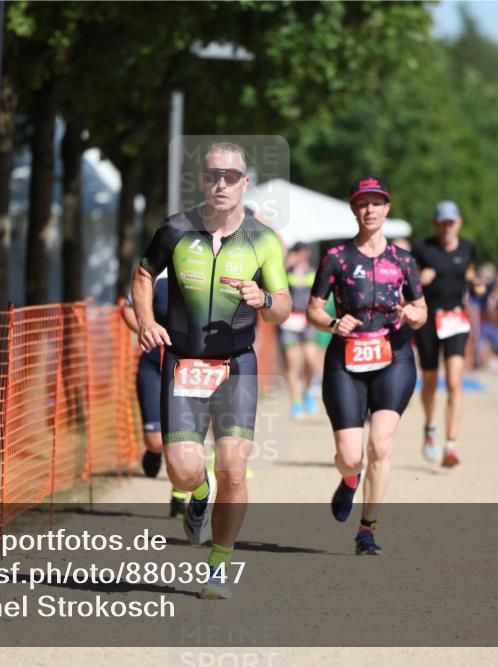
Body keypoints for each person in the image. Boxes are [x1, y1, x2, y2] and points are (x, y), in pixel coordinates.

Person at [132, 142, 291, 598]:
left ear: (244, 183)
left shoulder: (263, 239)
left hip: (236, 364)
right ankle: (197, 495)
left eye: (230, 175)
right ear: (201, 180)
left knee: (235, 470)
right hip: (182, 362)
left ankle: (218, 566)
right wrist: (146, 321)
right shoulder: (175, 229)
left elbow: (283, 306)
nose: (219, 183)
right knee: (181, 469)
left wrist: (264, 301)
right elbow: (144, 276)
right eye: (211, 175)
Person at [307, 177, 427, 555]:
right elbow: (312, 308)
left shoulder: (403, 261)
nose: (370, 210)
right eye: (363, 204)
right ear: (354, 209)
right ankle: (349, 479)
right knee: (350, 455)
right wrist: (331, 322)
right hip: (346, 357)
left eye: (377, 203)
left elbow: (422, 310)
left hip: (395, 357)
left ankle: (367, 530)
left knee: (380, 446)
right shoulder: (336, 257)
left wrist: (413, 313)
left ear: (387, 209)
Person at [411, 200, 476, 468]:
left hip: (455, 320)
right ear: (436, 223)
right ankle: (430, 428)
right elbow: (408, 282)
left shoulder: (469, 248)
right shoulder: (423, 249)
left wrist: (477, 284)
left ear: (459, 222)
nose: (448, 227)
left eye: (452, 222)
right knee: (429, 381)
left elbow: (469, 273)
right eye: (443, 222)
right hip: (428, 320)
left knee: (453, 381)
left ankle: (451, 444)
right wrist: (419, 279)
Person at [121, 273, 188, 517]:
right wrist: (146, 330)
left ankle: (178, 496)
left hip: (187, 366)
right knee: (156, 440)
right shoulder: (157, 277)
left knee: (181, 437)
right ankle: (152, 451)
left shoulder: (206, 273)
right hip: (154, 363)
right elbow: (127, 309)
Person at [281, 242, 321, 419]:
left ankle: (308, 391)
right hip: (290, 320)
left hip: (308, 320)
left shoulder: (313, 270)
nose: (302, 256)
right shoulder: (287, 271)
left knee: (311, 360)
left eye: (305, 252)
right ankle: (296, 401)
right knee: (292, 362)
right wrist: (287, 264)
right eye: (299, 253)